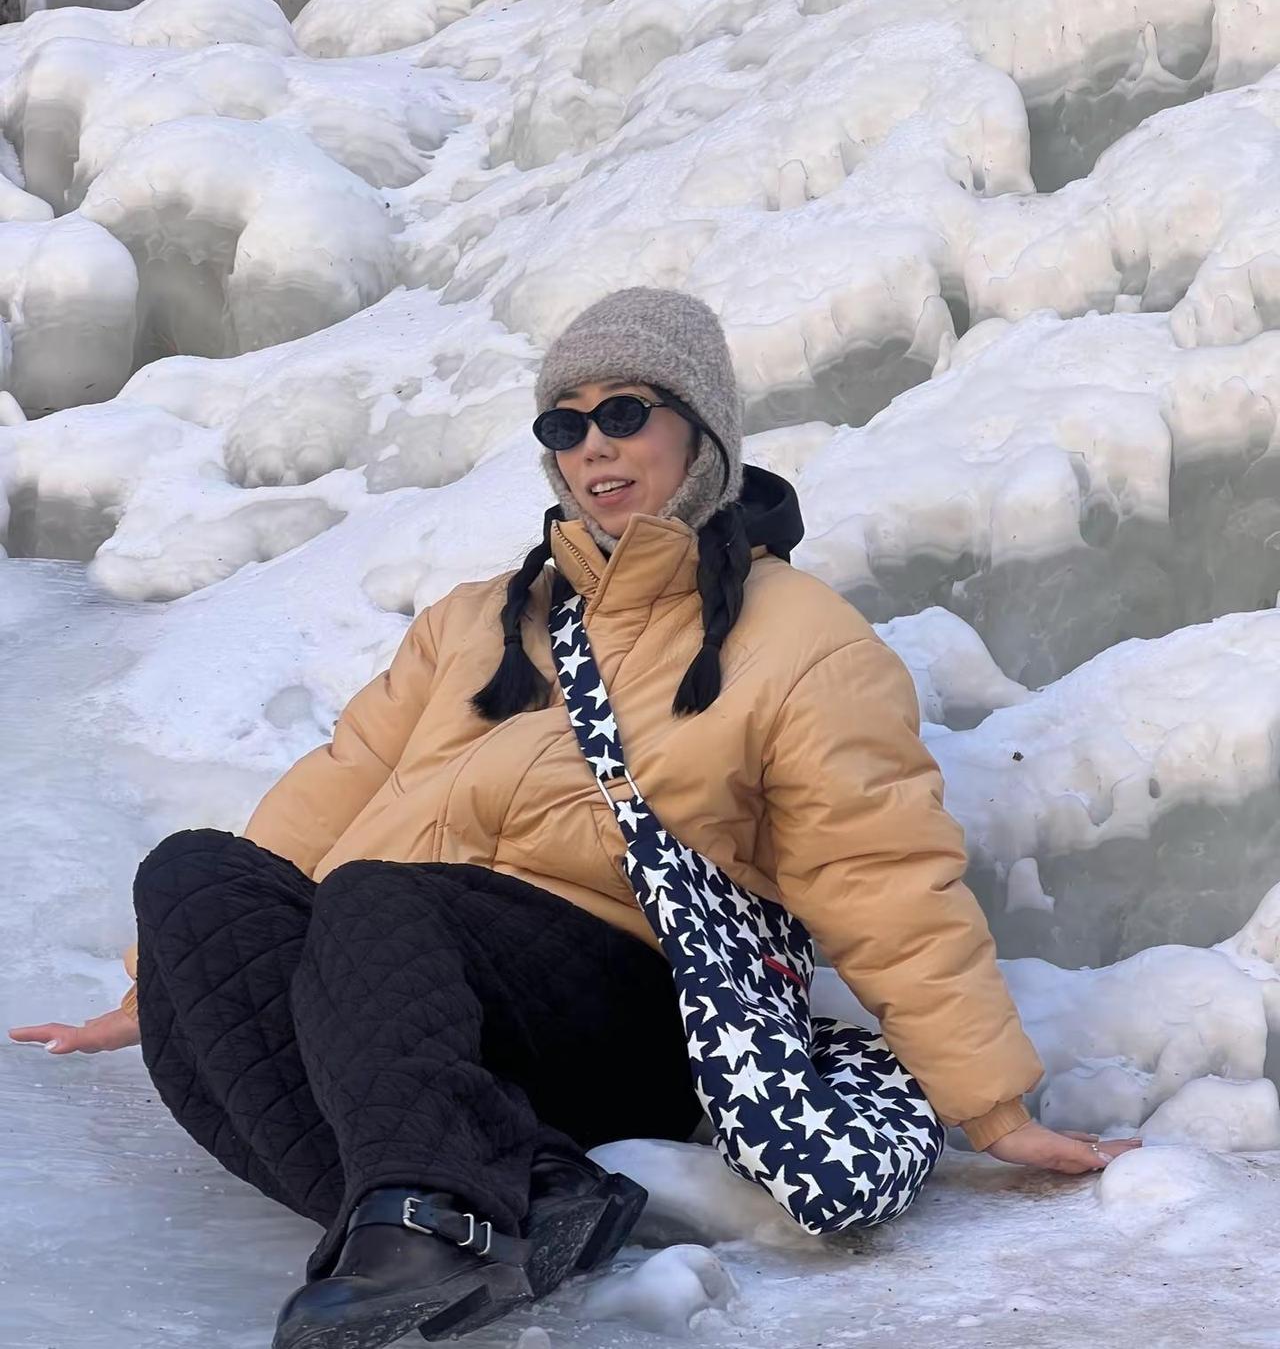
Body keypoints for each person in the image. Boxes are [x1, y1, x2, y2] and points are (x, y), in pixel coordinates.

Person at [11, 288, 1136, 1349]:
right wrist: (169, 977)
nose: (593, 444)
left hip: (613, 1004)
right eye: (566, 422)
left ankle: (436, 1213)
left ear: (700, 431)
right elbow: (336, 784)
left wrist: (990, 1108)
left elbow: (878, 872)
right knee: (190, 877)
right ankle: (517, 1195)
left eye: (625, 412)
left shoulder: (800, 639)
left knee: (373, 901)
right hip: (398, 994)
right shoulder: (477, 622)